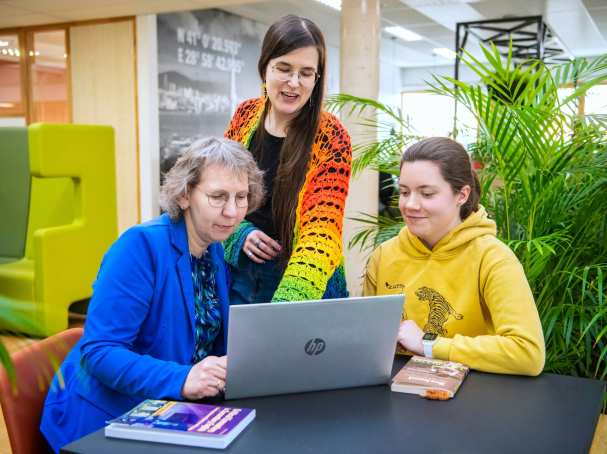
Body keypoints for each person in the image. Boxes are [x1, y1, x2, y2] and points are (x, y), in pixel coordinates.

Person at [40, 137, 264, 452]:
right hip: (103, 419)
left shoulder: (214, 249)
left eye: (241, 197)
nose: (232, 211)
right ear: (185, 195)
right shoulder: (140, 247)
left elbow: (201, 342)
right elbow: (100, 352)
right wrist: (184, 378)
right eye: (218, 197)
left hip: (169, 410)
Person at [363, 137, 545, 376]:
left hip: (469, 399)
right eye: (405, 192)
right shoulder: (384, 254)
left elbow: (527, 352)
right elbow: (365, 338)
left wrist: (430, 344)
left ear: (462, 194)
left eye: (427, 194)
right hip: (392, 395)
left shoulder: (493, 257)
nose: (410, 205)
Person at [224, 14, 352, 304]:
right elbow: (220, 193)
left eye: (306, 73)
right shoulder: (245, 116)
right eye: (284, 68)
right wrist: (240, 233)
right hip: (240, 274)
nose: (294, 83)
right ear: (265, 68)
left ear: (317, 78)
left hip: (304, 282)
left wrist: (287, 306)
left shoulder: (331, 135)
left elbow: (322, 230)